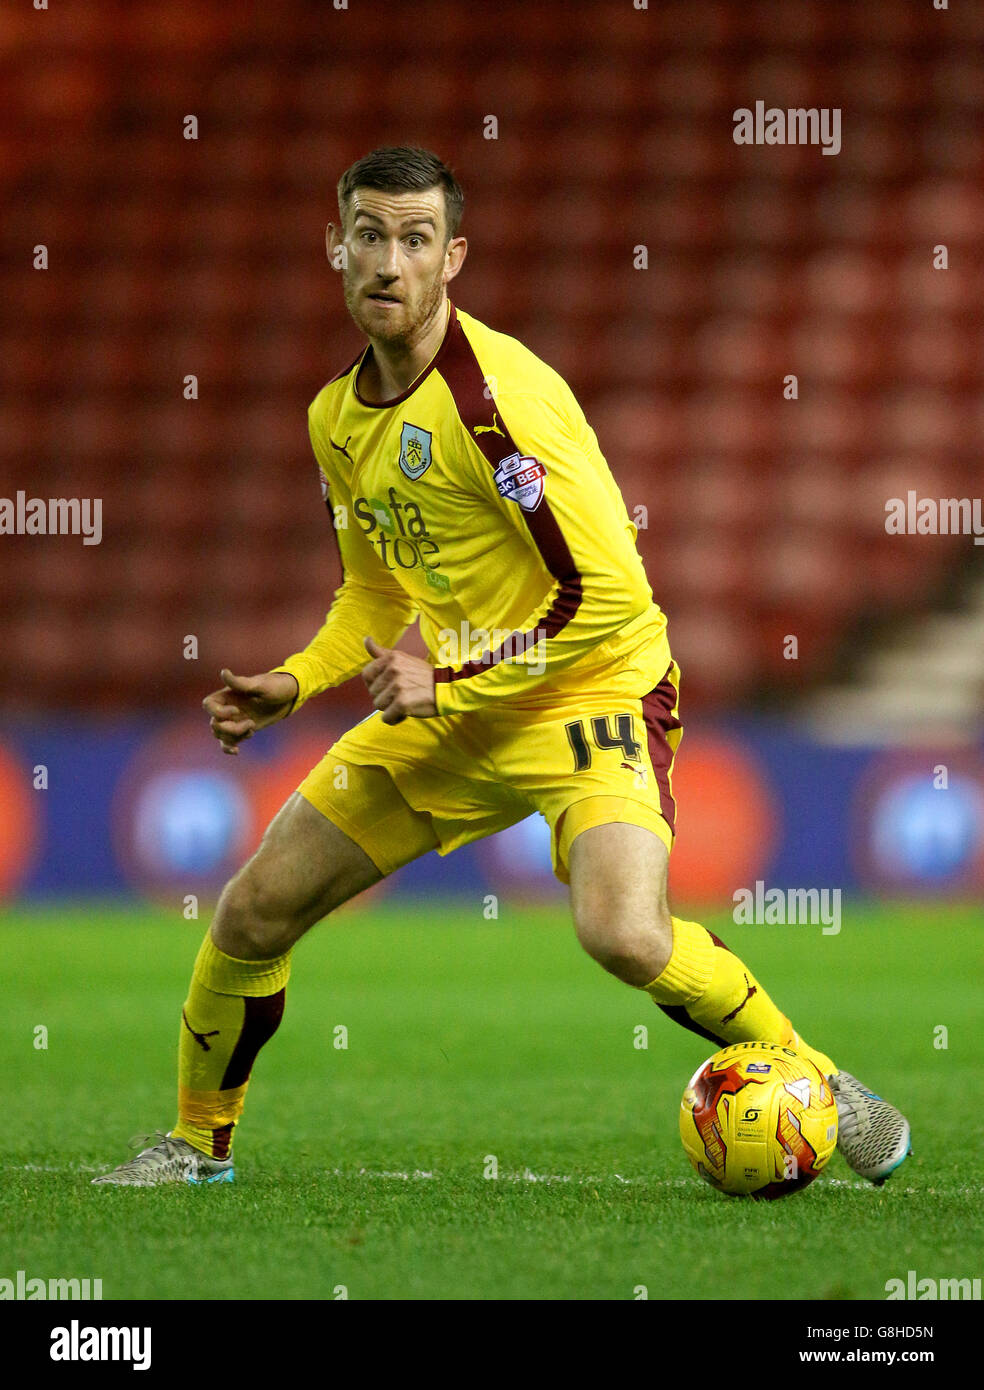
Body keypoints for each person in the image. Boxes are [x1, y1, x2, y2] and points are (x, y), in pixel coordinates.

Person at [94, 146, 910, 1188]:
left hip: (587, 688)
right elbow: (377, 595)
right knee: (254, 910)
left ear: (454, 258)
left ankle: (819, 1080)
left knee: (621, 931)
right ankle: (196, 1145)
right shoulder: (334, 419)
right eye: (371, 235)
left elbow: (603, 598)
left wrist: (454, 676)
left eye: (417, 239)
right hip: (457, 707)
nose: (390, 262)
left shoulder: (501, 406)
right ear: (334, 246)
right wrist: (298, 679)